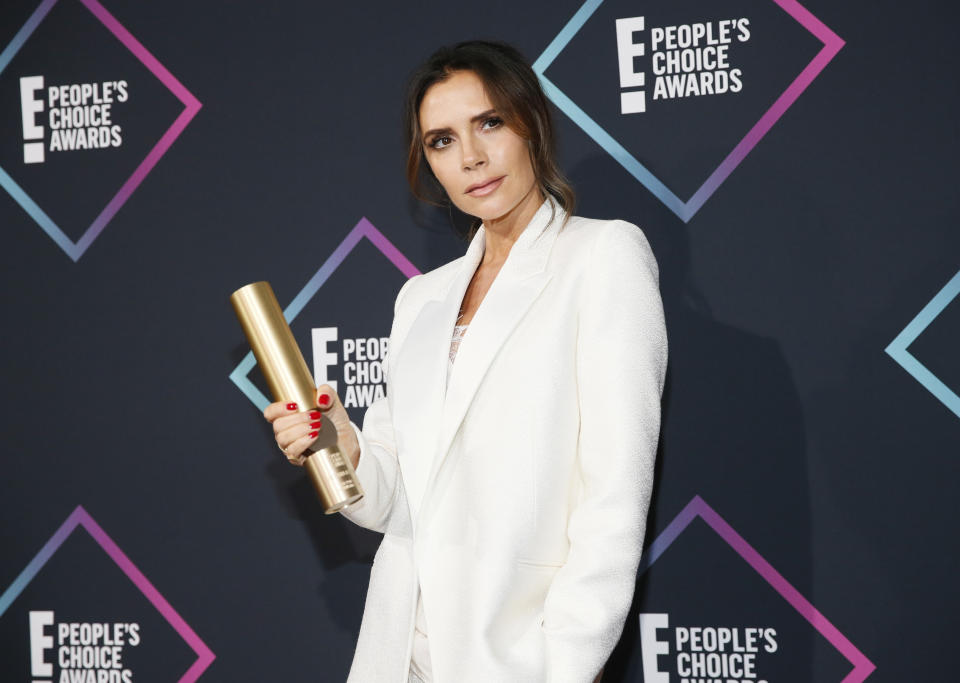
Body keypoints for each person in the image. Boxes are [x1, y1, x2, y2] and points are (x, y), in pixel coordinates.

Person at [264, 41, 667, 683]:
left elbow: (614, 497)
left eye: (489, 123)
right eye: (441, 141)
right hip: (401, 655)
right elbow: (395, 504)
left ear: (531, 121)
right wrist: (343, 445)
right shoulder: (421, 297)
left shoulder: (603, 257)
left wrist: (562, 669)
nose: (471, 157)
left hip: (514, 657)